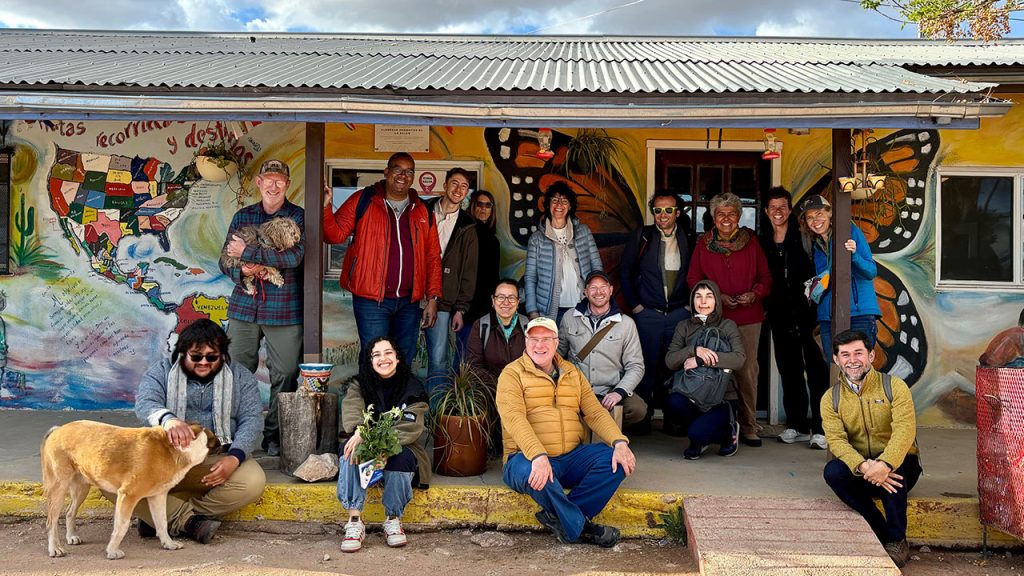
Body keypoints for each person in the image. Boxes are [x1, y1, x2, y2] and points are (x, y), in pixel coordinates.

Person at [497, 317, 636, 548]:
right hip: (524, 458)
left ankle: (561, 518)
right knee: (534, 471)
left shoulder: (571, 372)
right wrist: (538, 456)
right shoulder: (512, 374)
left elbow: (594, 412)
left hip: (570, 458)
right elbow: (514, 418)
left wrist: (619, 442)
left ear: (556, 342)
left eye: (546, 339)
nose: (539, 345)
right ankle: (583, 528)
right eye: (534, 339)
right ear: (526, 342)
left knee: (617, 461)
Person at [132, 319, 266, 543]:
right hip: (167, 460)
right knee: (115, 481)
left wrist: (235, 457)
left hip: (215, 459)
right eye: (196, 357)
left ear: (222, 355)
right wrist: (168, 420)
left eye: (212, 357)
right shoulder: (161, 371)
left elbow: (251, 420)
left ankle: (161, 515)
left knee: (253, 481)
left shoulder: (240, 377)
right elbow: (145, 403)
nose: (204, 363)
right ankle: (185, 521)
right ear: (182, 353)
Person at [323, 152, 442, 363]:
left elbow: (432, 257)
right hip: (371, 300)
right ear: (386, 172)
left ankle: (399, 398)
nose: (402, 175)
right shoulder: (365, 200)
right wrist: (325, 207)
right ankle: (370, 397)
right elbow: (334, 234)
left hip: (409, 302)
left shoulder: (422, 210)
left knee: (403, 358)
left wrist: (433, 298)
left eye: (408, 171)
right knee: (374, 357)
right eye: (397, 169)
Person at [220, 158, 304, 457]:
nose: (273, 184)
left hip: (284, 308)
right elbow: (225, 258)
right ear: (259, 182)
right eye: (268, 178)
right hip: (244, 306)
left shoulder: (299, 217)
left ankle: (274, 435)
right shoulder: (243, 217)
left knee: (286, 373)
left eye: (279, 179)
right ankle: (237, 433)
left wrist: (249, 253)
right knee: (237, 371)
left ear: (287, 183)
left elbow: (294, 259)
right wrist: (242, 271)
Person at [822, 329, 920, 568]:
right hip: (862, 468)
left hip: (899, 462)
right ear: (836, 360)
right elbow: (836, 440)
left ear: (871, 356)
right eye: (845, 355)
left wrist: (885, 464)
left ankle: (897, 541)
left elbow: (905, 430)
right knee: (832, 472)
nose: (852, 360)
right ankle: (882, 532)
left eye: (858, 353)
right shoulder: (830, 398)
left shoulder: (894, 387)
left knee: (896, 474)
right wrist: (865, 465)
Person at [686, 192, 771, 447]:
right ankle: (715, 426)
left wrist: (754, 295)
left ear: (739, 216)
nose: (726, 219)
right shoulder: (703, 243)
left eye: (731, 213)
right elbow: (693, 279)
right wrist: (717, 296)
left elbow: (766, 278)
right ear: (713, 217)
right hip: (715, 319)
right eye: (721, 214)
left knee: (746, 371)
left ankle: (748, 425)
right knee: (714, 370)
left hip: (748, 316)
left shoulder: (752, 242)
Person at [337, 336, 431, 553]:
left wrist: (384, 448)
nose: (383, 359)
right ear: (370, 361)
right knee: (351, 450)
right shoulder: (360, 384)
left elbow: (410, 427)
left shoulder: (413, 387)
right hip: (367, 444)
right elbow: (352, 410)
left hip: (401, 446)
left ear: (397, 358)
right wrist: (360, 430)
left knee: (402, 458)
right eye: (376, 355)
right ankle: (354, 521)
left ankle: (393, 518)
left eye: (388, 353)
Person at [757, 187, 830, 450]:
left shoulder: (804, 237)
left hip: (808, 311)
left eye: (782, 207)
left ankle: (821, 428)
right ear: (766, 211)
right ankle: (797, 424)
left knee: (817, 368)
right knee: (788, 368)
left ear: (789, 209)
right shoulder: (762, 240)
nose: (777, 212)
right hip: (778, 313)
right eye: (772, 207)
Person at [620, 190, 692, 432]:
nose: (663, 215)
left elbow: (696, 272)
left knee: (674, 366)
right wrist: (636, 306)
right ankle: (643, 417)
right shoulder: (643, 236)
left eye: (668, 210)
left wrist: (689, 305)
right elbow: (625, 272)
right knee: (646, 365)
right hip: (648, 312)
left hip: (679, 313)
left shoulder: (688, 237)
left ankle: (673, 418)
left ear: (678, 213)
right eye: (658, 210)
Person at [665, 280, 745, 459]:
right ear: (692, 301)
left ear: (716, 300)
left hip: (721, 398)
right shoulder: (684, 326)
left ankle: (727, 433)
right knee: (673, 403)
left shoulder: (727, 325)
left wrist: (701, 360)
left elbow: (739, 359)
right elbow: (670, 361)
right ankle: (701, 434)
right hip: (692, 394)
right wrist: (693, 350)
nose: (703, 302)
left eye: (709, 297)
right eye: (698, 297)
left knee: (696, 434)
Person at [798, 195, 882, 363]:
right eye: (810, 218)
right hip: (828, 318)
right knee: (836, 371)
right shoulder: (816, 246)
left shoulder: (849, 232)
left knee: (859, 370)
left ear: (830, 214)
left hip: (858, 314)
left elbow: (871, 271)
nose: (815, 220)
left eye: (819, 214)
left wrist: (854, 255)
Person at [558, 271, 647, 427]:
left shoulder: (626, 323)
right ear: (585, 291)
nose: (598, 292)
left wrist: (619, 392)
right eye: (593, 288)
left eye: (603, 287)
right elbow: (557, 355)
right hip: (577, 389)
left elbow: (636, 366)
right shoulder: (569, 317)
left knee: (637, 409)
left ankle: (608, 426)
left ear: (611, 290)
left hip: (610, 389)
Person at [423, 168, 479, 393]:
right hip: (411, 295)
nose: (458, 190)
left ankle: (435, 417)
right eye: (454, 184)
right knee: (401, 355)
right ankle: (402, 417)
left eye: (464, 186)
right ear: (444, 185)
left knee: (438, 361)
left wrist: (461, 309)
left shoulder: (468, 226)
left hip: (444, 301)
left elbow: (469, 272)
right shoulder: (422, 210)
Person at [524, 182, 603, 324]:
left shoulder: (583, 231)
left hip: (583, 306)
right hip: (551, 312)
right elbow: (530, 277)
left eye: (564, 200)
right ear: (548, 205)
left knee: (582, 346)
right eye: (554, 200)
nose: (559, 204)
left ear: (570, 206)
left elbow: (597, 267)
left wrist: (596, 297)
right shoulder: (536, 239)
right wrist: (533, 311)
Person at [458, 189, 502, 358]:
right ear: (472, 206)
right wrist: (460, 307)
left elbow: (493, 276)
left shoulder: (493, 239)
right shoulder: (466, 233)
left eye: (488, 205)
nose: (483, 209)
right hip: (468, 305)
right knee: (464, 354)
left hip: (486, 305)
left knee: (482, 354)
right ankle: (459, 386)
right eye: (479, 204)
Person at [467, 277, 528, 385]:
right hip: (490, 392)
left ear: (518, 302)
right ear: (493, 300)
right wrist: (500, 385)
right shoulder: (481, 326)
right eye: (501, 297)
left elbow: (536, 363)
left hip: (523, 391)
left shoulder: (528, 326)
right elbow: (474, 366)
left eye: (511, 298)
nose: (506, 302)